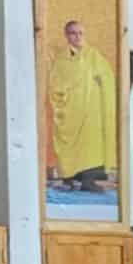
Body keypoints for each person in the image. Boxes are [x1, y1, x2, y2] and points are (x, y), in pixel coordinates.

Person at [46, 17, 117, 186]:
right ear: (66, 35)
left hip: (91, 112)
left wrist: (101, 81)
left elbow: (107, 77)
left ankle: (89, 179)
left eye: (80, 33)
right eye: (73, 33)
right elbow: (54, 86)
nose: (77, 37)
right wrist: (65, 95)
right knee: (69, 146)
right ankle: (70, 177)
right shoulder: (61, 61)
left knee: (91, 145)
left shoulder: (94, 56)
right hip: (71, 111)